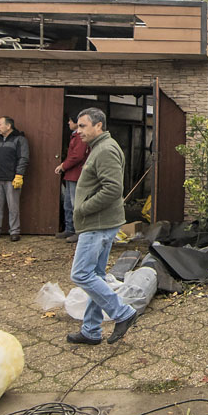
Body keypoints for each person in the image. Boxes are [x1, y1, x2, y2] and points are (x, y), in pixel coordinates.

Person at [65, 108, 139, 346]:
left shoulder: (105, 150)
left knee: (81, 274)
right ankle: (90, 330)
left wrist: (82, 208)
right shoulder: (100, 147)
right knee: (95, 275)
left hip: (97, 223)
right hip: (101, 222)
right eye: (77, 126)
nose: (78, 131)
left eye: (83, 126)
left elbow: (112, 190)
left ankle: (123, 313)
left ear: (99, 126)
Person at [0, 116, 29, 243]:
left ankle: (14, 231)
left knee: (13, 206)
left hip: (12, 179)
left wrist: (19, 175)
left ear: (8, 126)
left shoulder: (20, 140)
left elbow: (23, 158)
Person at [55, 114, 90, 243]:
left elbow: (78, 156)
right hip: (71, 174)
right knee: (68, 203)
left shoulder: (80, 137)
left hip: (76, 174)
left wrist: (63, 165)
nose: (68, 123)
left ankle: (78, 231)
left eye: (70, 120)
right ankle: (69, 228)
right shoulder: (75, 136)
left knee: (76, 204)